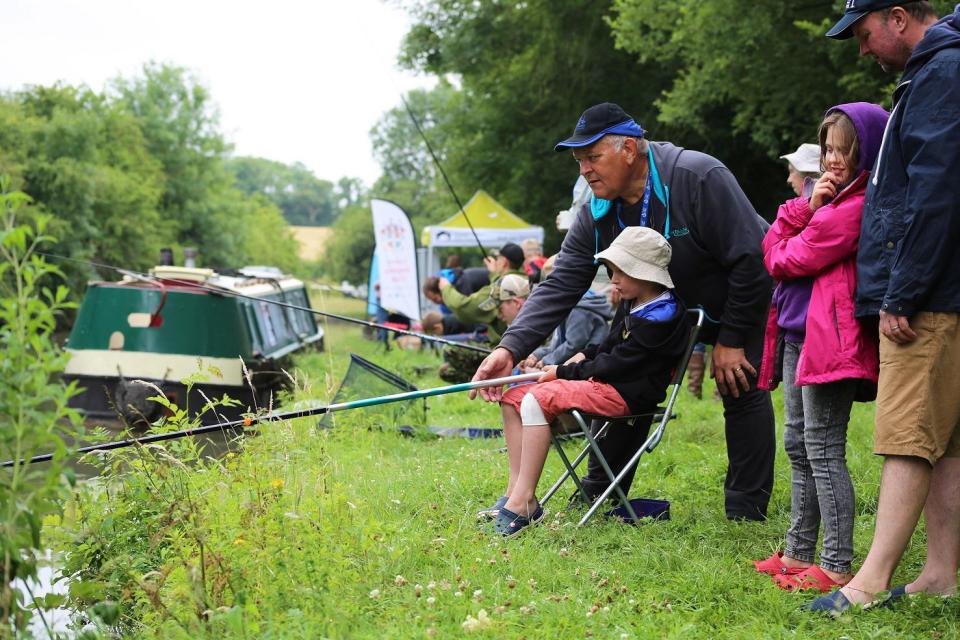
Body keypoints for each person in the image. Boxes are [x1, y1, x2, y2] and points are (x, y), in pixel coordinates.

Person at [471, 102, 775, 521]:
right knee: (623, 378)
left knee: (738, 385)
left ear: (629, 149)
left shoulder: (697, 177)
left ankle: (746, 512)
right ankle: (600, 493)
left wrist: (732, 338)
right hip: (654, 305)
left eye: (593, 157)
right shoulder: (597, 210)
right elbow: (563, 282)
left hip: (734, 295)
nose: (584, 171)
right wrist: (509, 347)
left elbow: (751, 258)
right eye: (579, 162)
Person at [809, 1, 960, 615]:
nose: (863, 49)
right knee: (947, 442)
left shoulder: (941, 72)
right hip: (945, 289)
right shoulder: (940, 69)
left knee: (905, 437)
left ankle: (867, 583)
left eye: (865, 34)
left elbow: (938, 188)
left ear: (897, 18)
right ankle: (941, 572)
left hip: (929, 297)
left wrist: (904, 289)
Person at [753, 103, 890, 594]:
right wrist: (808, 208)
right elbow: (773, 244)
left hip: (828, 342)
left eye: (843, 150)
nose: (833, 160)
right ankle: (797, 551)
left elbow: (785, 259)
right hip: (796, 334)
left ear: (866, 152)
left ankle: (835, 562)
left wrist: (807, 220)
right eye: (829, 149)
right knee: (798, 444)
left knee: (823, 448)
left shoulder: (854, 208)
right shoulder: (827, 202)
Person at [481, 228, 689, 536]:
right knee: (513, 396)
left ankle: (524, 503)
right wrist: (575, 359)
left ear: (643, 273)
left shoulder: (664, 314)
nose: (612, 278)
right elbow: (606, 348)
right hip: (608, 384)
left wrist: (563, 372)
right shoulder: (632, 303)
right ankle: (516, 492)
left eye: (619, 271)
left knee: (536, 399)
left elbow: (619, 364)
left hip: (627, 394)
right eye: (611, 270)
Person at [521, 255, 613, 370]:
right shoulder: (565, 303)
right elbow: (557, 344)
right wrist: (537, 355)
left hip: (588, 368)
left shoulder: (579, 308)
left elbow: (573, 345)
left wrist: (547, 361)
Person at [438, 242, 526, 343]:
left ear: (504, 262)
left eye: (497, 259)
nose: (495, 262)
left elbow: (464, 307)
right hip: (518, 345)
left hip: (505, 347)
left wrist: (446, 288)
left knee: (449, 349)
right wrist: (494, 274)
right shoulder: (524, 280)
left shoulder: (500, 287)